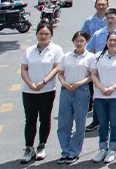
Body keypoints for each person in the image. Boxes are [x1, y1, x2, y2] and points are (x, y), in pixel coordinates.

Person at [19, 22, 64, 164]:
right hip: (29, 91)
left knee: (45, 119)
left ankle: (41, 146)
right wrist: (30, 84)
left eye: (47, 34)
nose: (43, 36)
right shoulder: (29, 51)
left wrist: (44, 82)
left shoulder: (56, 50)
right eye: (41, 33)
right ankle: (28, 148)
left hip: (47, 90)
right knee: (30, 119)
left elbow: (56, 68)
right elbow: (24, 69)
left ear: (51, 35)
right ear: (36, 34)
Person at [90, 31, 116, 164]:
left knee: (114, 123)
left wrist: (113, 88)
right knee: (102, 123)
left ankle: (112, 149)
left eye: (115, 40)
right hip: (100, 95)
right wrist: (101, 88)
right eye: (110, 40)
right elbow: (93, 74)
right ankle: (103, 148)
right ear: (106, 42)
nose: (112, 42)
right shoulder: (98, 56)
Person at [56, 31, 93, 164]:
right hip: (66, 90)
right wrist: (64, 83)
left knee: (80, 122)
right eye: (77, 41)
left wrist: (80, 83)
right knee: (63, 122)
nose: (79, 43)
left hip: (81, 91)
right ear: (73, 42)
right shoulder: (66, 56)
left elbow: (92, 75)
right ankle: (65, 151)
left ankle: (74, 151)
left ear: (86, 42)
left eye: (82, 41)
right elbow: (60, 73)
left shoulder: (90, 57)